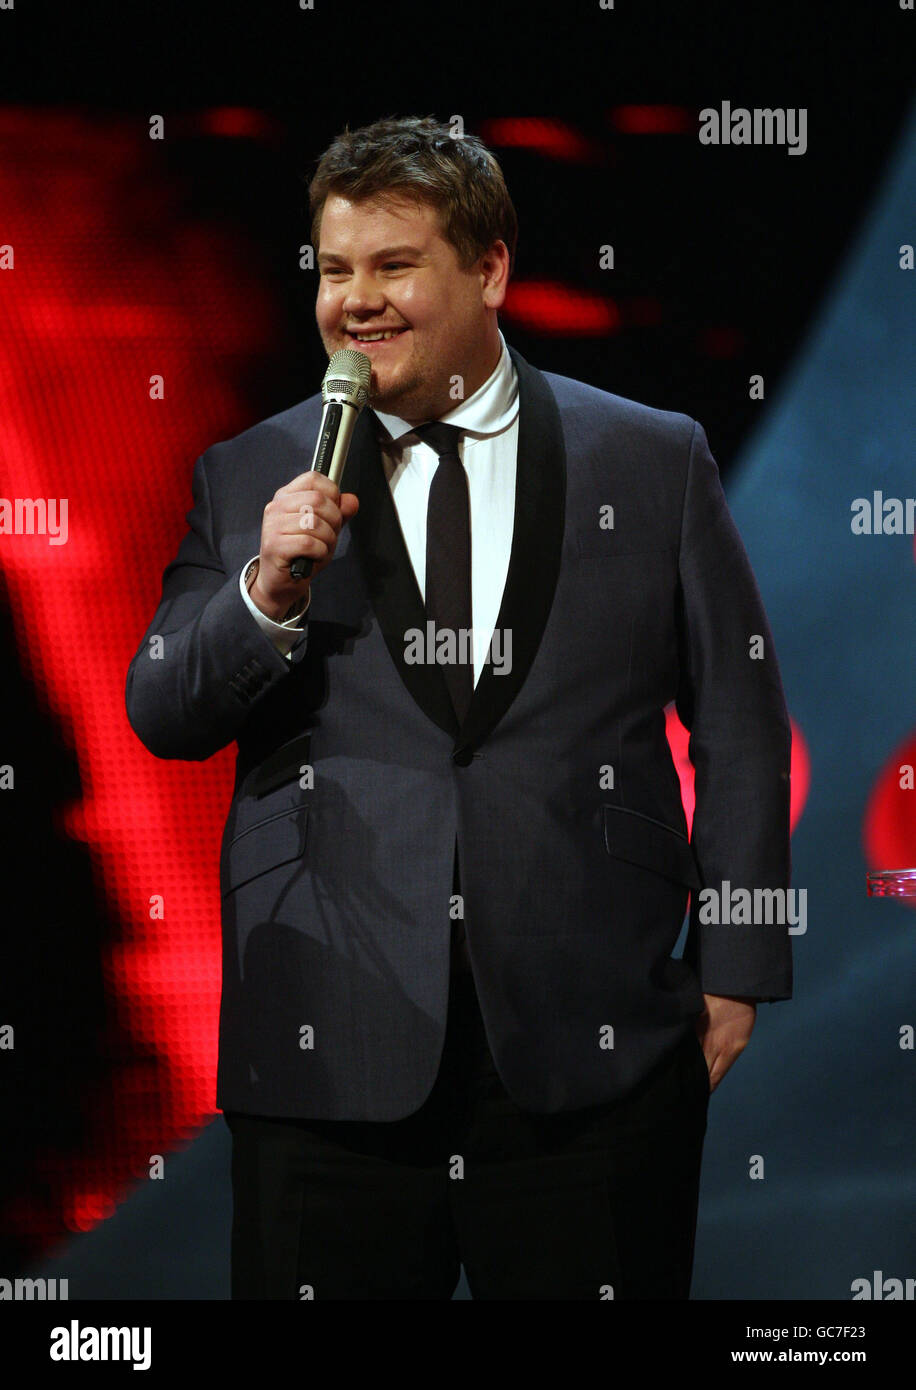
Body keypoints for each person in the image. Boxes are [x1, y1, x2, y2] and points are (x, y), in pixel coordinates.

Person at [125, 115, 792, 1300]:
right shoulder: (251, 474)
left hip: (589, 1050)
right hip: (325, 1050)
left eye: (393, 265)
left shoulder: (646, 457)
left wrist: (735, 969)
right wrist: (264, 590)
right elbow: (165, 708)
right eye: (335, 270)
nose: (355, 302)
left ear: (489, 270)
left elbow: (738, 720)